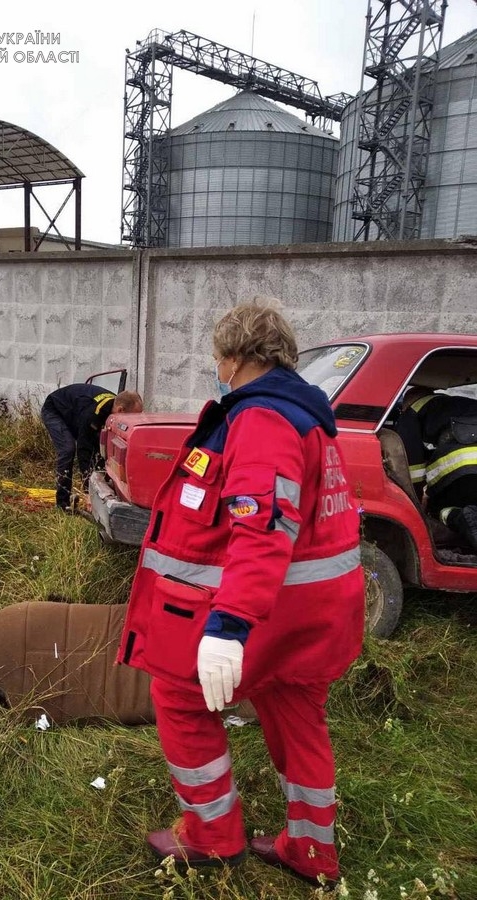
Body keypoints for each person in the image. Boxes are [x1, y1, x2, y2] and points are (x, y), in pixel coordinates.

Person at [117, 301, 364, 888]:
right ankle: (311, 850)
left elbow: (261, 528)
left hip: (265, 612)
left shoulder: (262, 421)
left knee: (179, 699)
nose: (216, 369)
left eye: (217, 358)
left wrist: (227, 629)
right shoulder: (308, 417)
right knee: (298, 715)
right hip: (313, 616)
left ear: (233, 358)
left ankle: (211, 835)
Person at [394, 386, 477, 549]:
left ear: (408, 402)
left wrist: (417, 503)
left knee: (438, 508)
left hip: (462, 466)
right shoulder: (462, 404)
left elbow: (412, 464)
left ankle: (459, 516)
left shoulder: (412, 411)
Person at [41, 384, 143, 511]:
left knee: (99, 451)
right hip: (55, 410)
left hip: (76, 412)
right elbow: (84, 450)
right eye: (132, 417)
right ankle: (62, 503)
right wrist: (88, 492)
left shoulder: (113, 409)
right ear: (120, 410)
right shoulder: (94, 413)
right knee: (68, 449)